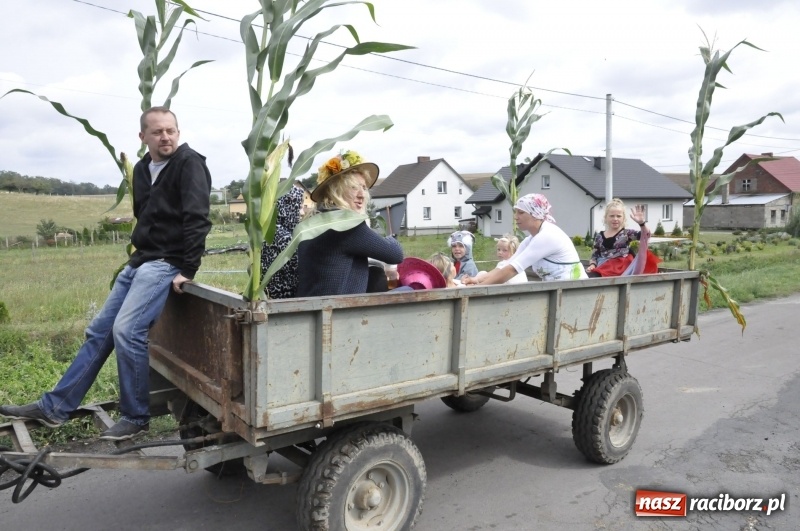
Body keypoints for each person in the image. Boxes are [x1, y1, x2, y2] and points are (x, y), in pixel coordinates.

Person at [0, 107, 212, 440]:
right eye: (157, 132)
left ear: (178, 132)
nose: (166, 136)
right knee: (99, 331)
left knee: (127, 330)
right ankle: (55, 407)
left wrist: (188, 268)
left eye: (171, 130)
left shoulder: (190, 164)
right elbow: (145, 216)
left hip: (165, 262)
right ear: (143, 137)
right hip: (141, 260)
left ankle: (136, 417)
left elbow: (198, 218)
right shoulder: (142, 170)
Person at [296, 150, 403, 296]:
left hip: (314, 311)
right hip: (338, 314)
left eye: (364, 188)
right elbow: (396, 254)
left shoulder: (313, 223)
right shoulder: (346, 226)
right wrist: (392, 238)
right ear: (335, 191)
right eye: (353, 187)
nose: (361, 195)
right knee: (410, 290)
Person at [462, 194, 587, 285]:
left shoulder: (547, 236)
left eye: (521, 213)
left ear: (535, 214)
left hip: (575, 293)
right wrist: (477, 280)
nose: (516, 217)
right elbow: (507, 265)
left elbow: (512, 270)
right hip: (560, 291)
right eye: (516, 212)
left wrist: (479, 288)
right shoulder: (531, 239)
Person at [586, 198, 660, 277]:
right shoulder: (599, 236)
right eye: (612, 216)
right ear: (606, 218)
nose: (615, 219)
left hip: (621, 268)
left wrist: (642, 224)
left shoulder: (626, 234)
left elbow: (646, 235)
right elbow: (595, 254)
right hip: (603, 266)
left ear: (623, 218)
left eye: (618, 216)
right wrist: (593, 265)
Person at [260, 184, 305, 298]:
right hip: (284, 300)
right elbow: (302, 267)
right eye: (298, 207)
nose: (302, 213)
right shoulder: (284, 238)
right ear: (286, 207)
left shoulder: (269, 231)